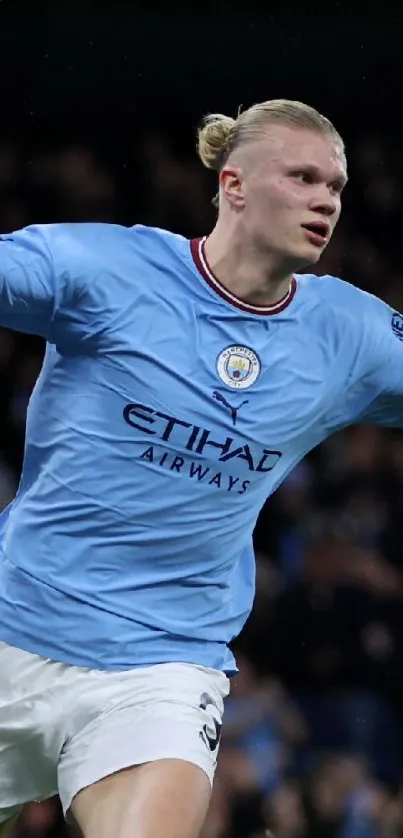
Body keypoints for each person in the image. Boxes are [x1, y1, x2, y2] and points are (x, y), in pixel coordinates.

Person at [0, 97, 402, 838]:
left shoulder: (350, 334)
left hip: (159, 671)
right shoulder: (106, 269)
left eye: (336, 187)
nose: (325, 200)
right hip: (13, 626)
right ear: (234, 184)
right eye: (303, 177)